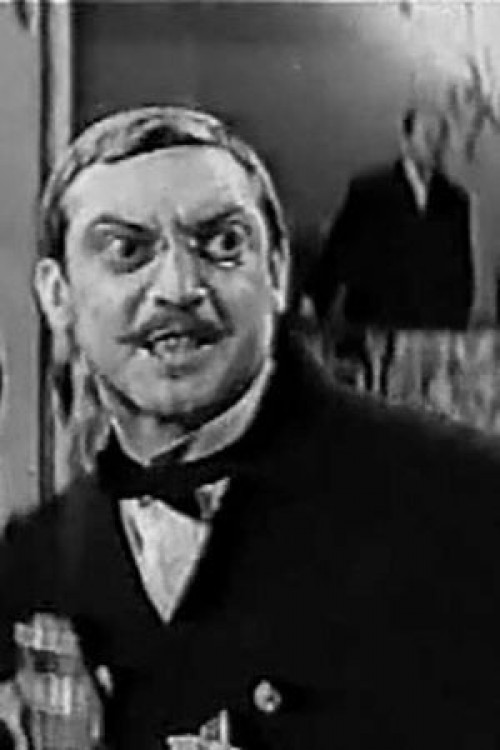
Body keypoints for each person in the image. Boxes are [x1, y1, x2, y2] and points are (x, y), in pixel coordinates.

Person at [1, 106, 500, 750]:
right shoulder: (33, 561)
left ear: (278, 272)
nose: (179, 287)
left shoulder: (468, 502)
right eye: (126, 250)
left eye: (223, 244)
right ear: (58, 296)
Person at [309, 106, 475, 331]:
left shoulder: (455, 200)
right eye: (426, 135)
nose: (434, 144)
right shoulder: (370, 192)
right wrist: (315, 302)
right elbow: (338, 254)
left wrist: (457, 320)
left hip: (432, 328)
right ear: (405, 141)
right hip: (377, 323)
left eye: (439, 137)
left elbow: (462, 272)